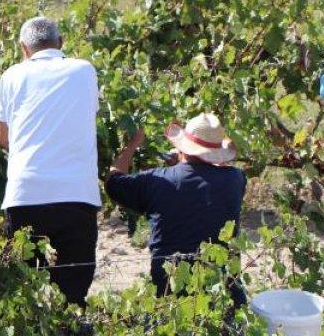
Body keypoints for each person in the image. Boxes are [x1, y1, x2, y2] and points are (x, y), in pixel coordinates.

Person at [0, 17, 101, 306]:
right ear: (61, 42)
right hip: (77, 195)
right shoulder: (84, 70)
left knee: (25, 290)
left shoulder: (11, 76)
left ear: (23, 48)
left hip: (25, 193)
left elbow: (3, 138)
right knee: (73, 291)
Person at [104, 113, 246, 300]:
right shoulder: (236, 179)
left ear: (182, 147)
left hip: (170, 296)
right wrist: (184, 163)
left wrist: (133, 144)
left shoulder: (157, 181)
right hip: (224, 293)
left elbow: (113, 181)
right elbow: (211, 176)